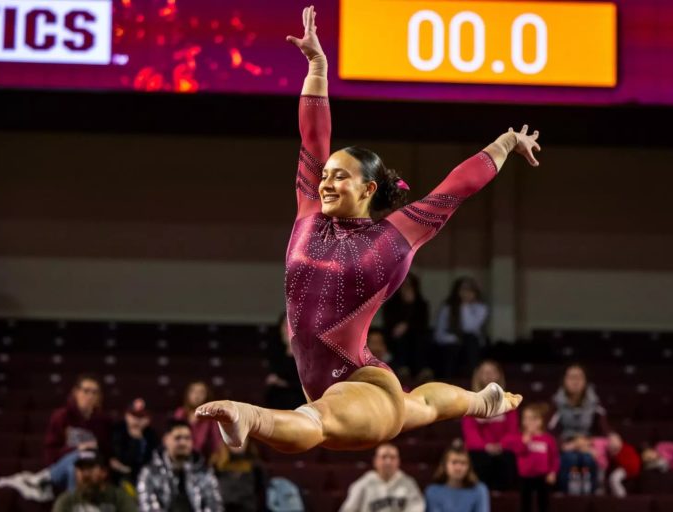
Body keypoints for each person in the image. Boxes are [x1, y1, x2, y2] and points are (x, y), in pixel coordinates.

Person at [196, 5, 534, 453]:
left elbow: (456, 188)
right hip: (334, 384)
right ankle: (481, 401)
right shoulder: (309, 213)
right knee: (423, 406)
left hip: (364, 383)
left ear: (369, 187)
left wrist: (507, 142)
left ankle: (248, 416)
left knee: (319, 423)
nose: (327, 181)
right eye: (326, 174)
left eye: (341, 176)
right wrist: (318, 67)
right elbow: (313, 138)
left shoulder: (392, 237)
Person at [0, 375, 111, 500]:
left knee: (81, 461)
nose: (90, 396)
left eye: (94, 392)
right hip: (62, 470)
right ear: (76, 392)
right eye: (86, 391)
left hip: (92, 469)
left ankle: (43, 480)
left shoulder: (103, 421)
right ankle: (76, 504)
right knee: (74, 464)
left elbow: (106, 452)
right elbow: (51, 454)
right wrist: (77, 449)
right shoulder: (61, 417)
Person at [137, 419, 223, 512]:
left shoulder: (204, 472)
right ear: (165, 440)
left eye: (187, 438)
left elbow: (214, 506)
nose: (183, 443)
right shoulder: (150, 473)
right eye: (177, 438)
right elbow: (147, 507)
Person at [548, 365, 607, 493]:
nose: (575, 381)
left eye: (579, 377)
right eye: (571, 377)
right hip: (566, 445)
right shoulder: (556, 402)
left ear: (585, 381)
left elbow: (603, 429)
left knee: (587, 459)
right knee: (571, 458)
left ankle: (590, 495)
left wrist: (589, 442)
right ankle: (566, 495)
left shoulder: (595, 402)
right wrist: (564, 445)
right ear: (564, 380)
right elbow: (550, 431)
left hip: (588, 444)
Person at [462, 361, 518, 491]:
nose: (488, 375)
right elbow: (470, 433)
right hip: (480, 451)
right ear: (478, 376)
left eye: (492, 371)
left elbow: (513, 431)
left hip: (503, 450)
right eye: (484, 372)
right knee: (480, 460)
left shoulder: (509, 401)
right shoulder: (471, 402)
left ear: (499, 375)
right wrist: (485, 446)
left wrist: (500, 445)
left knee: (507, 460)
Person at [502, 403, 559, 512]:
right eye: (526, 418)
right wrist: (524, 442)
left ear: (541, 421)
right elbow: (516, 451)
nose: (529, 422)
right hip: (525, 477)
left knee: (543, 502)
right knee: (525, 502)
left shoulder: (548, 439)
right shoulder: (519, 437)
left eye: (533, 419)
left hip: (542, 476)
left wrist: (553, 472)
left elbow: (554, 458)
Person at [339, 443, 424, 512]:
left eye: (392, 457)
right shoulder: (362, 484)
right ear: (375, 461)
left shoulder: (408, 483)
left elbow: (417, 508)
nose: (388, 462)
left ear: (398, 461)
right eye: (384, 457)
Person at [433, 277, 489, 377]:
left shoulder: (481, 308)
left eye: (469, 290)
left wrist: (464, 305)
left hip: (471, 343)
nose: (466, 293)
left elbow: (470, 328)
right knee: (451, 350)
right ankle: (448, 381)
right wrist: (453, 339)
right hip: (450, 343)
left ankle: (473, 378)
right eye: (463, 289)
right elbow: (439, 334)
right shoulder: (448, 307)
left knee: (470, 340)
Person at [382, 273, 431, 382]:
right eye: (403, 285)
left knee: (419, 339)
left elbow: (423, 324)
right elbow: (390, 325)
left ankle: (421, 370)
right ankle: (402, 369)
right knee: (401, 339)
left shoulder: (421, 305)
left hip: (416, 335)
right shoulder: (391, 305)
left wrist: (411, 307)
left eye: (409, 285)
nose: (406, 289)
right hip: (396, 337)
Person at [52, 450, 138, 512]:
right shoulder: (66, 501)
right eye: (81, 469)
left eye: (89, 468)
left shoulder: (119, 498)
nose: (84, 474)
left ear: (104, 472)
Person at [111, 398, 160, 493]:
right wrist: (134, 440)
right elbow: (119, 458)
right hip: (118, 480)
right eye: (133, 416)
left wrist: (137, 438)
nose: (137, 420)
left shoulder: (151, 435)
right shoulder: (118, 430)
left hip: (144, 480)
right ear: (126, 416)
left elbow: (151, 461)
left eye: (141, 417)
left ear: (148, 419)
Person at [425, 441, 490, 512]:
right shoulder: (432, 491)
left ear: (469, 467)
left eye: (463, 463)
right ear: (444, 466)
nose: (458, 468)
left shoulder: (479, 490)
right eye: (454, 462)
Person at [173, 382, 227, 465]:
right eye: (193, 392)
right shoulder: (180, 413)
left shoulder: (211, 418)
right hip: (179, 460)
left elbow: (216, 444)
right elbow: (172, 438)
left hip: (202, 463)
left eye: (201, 392)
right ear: (187, 395)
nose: (197, 396)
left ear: (206, 396)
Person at [265, 312, 306, 410]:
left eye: (290, 325)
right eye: (284, 325)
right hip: (278, 400)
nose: (287, 328)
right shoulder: (276, 350)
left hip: (299, 400)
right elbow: (273, 377)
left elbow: (305, 384)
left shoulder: (306, 352)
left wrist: (283, 383)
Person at [214, 440, 266, 512]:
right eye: (234, 440)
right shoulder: (216, 466)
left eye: (242, 440)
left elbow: (262, 497)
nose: (238, 444)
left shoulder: (256, 467)